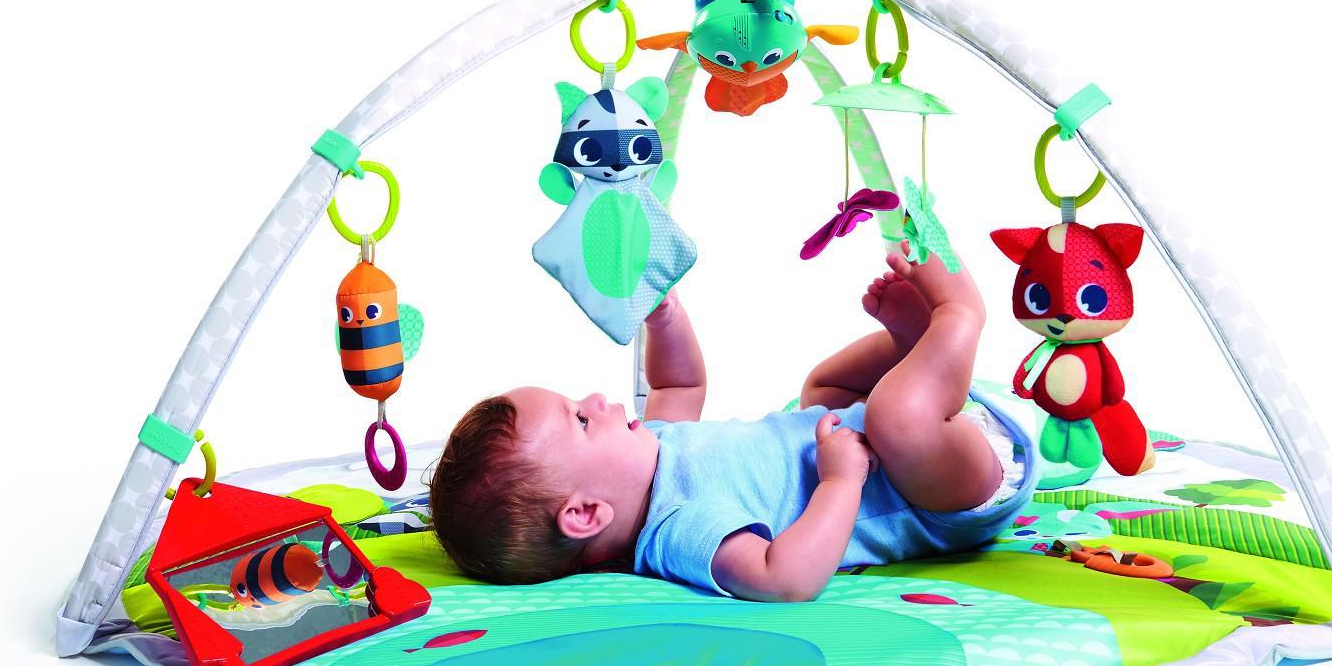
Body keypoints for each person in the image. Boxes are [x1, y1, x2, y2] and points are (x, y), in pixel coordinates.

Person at [427, 247, 1033, 601]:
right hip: (942, 495)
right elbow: (785, 578)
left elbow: (678, 387)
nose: (595, 398)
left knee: (822, 389)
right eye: (581, 419)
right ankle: (957, 318)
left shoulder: (649, 450)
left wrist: (664, 320)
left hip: (885, 435)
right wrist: (840, 481)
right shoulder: (679, 530)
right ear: (586, 514)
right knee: (895, 417)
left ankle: (914, 354)